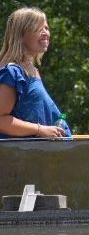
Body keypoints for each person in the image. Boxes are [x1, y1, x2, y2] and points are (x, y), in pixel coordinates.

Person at [0, 8, 71, 138]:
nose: (45, 33)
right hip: (21, 156)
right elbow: (1, 119)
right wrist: (39, 130)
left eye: (46, 28)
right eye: (38, 29)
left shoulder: (33, 71)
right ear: (20, 35)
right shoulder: (12, 73)